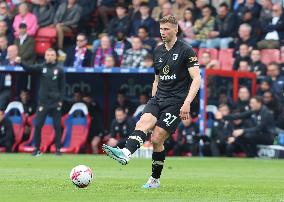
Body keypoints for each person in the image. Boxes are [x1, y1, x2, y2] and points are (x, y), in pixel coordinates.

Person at [102, 15, 201, 188]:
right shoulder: (157, 51)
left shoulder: (186, 50)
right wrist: (153, 99)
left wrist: (187, 103)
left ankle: (155, 179)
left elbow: (197, 79)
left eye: (166, 29)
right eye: (161, 29)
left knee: (156, 139)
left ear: (176, 29)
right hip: (159, 98)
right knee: (143, 122)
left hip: (176, 102)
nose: (163, 32)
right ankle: (125, 153)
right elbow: (157, 79)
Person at [15, 48, 65, 156]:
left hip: (55, 102)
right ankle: (36, 149)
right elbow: (29, 69)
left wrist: (60, 101)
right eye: (48, 54)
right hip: (43, 102)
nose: (50, 56)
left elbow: (62, 87)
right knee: (38, 125)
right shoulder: (41, 67)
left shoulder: (59, 69)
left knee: (57, 126)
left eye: (52, 54)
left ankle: (58, 150)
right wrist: (20, 63)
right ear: (45, 56)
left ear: (55, 56)